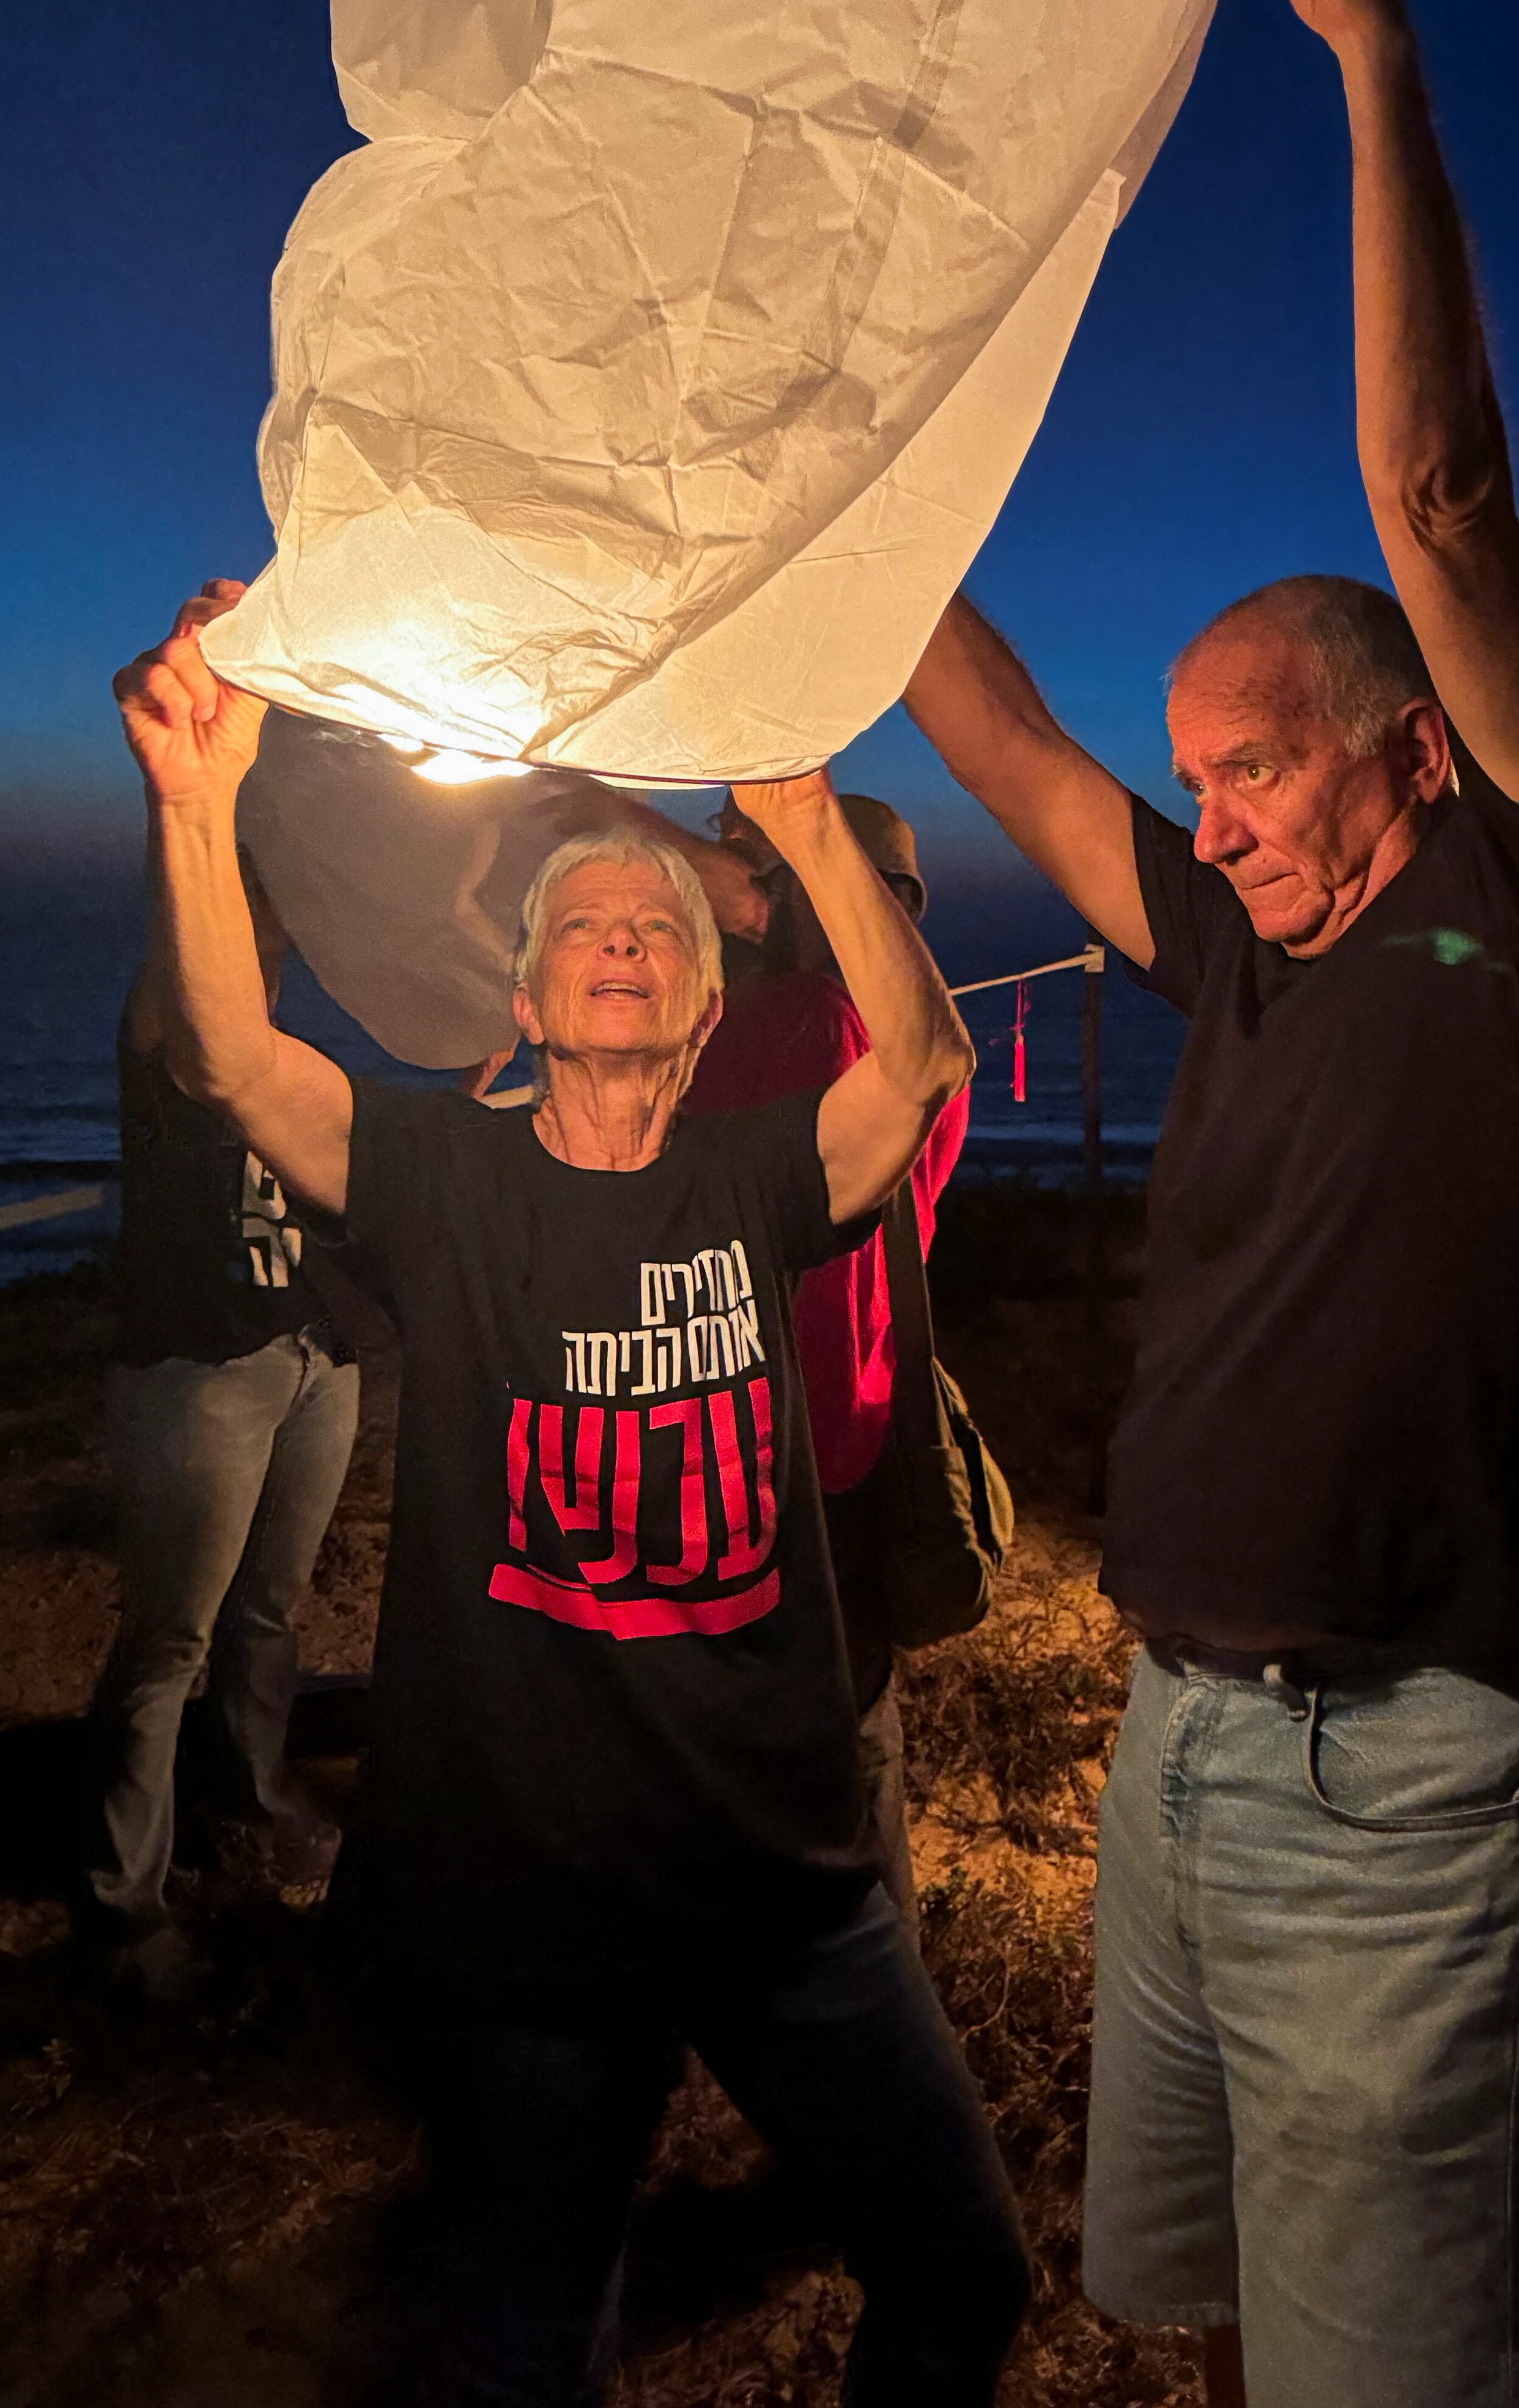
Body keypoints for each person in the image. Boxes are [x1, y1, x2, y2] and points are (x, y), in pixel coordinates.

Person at [901, 0, 1519, 2408]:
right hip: (1185, 1755)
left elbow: (1432, 496)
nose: (1200, 810)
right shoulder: (1233, 945)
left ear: (1413, 756)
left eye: (1247, 765)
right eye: (1189, 775)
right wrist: (827, 470)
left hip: (1413, 1781)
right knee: (1251, 2333)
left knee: (1422, 2369)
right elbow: (991, 730)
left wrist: (1366, 59)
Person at [112, 584, 1029, 2408]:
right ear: (521, 998)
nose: (620, 930)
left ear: (699, 1008)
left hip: (785, 1874)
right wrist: (200, 807)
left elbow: (915, 1062)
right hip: (527, 1896)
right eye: (580, 922)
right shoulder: (444, 1172)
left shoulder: (757, 1168)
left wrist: (806, 824)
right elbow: (235, 1060)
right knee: (528, 2340)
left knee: (966, 2273)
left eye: (654, 923)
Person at [682, 793, 969, 1919]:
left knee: (753, 1719)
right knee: (860, 1719)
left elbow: (663, 1145)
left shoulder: (801, 1018)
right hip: (862, 1420)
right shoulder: (920, 1032)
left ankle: (798, 1967)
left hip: (764, 1441)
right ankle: (882, 1961)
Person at [84, 845, 359, 1995]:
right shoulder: (164, 1048)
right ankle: (122, 1906)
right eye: (242, 933)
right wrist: (193, 826)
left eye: (277, 940)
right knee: (170, 1641)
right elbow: (178, 948)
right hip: (201, 1374)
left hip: (310, 1361)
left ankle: (256, 1793)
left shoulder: (284, 1069)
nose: (265, 954)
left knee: (270, 1610)